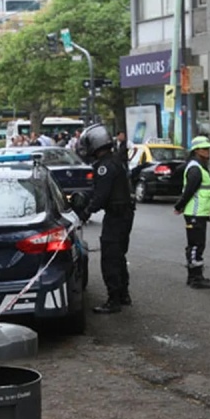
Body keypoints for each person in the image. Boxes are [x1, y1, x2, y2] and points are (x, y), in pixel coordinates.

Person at [76, 124, 135, 314]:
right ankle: (123, 294)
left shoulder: (105, 167)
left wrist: (86, 213)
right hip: (124, 214)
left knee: (110, 258)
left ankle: (113, 300)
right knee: (118, 256)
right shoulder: (115, 162)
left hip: (116, 216)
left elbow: (101, 196)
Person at [173, 136, 210, 289]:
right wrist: (179, 206)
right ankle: (195, 278)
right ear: (197, 151)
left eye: (208, 148)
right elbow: (190, 190)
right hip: (195, 213)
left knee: (196, 245)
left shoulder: (199, 165)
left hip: (199, 213)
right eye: (205, 149)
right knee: (196, 246)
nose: (208, 151)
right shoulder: (195, 168)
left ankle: (195, 276)